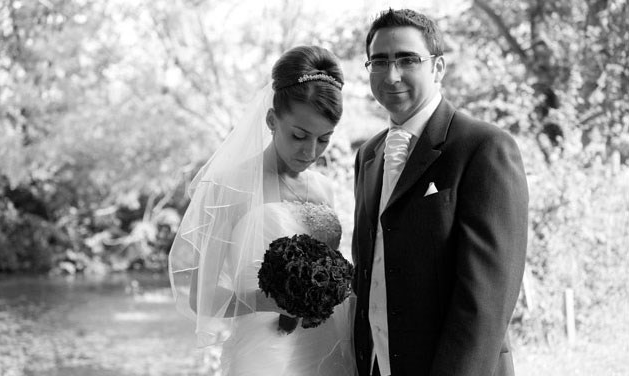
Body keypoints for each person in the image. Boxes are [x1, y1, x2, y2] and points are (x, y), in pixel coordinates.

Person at [352, 9, 528, 376]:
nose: (392, 74)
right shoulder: (368, 155)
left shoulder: (484, 147)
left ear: (438, 67)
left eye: (407, 59)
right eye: (379, 61)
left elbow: (486, 300)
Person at [169, 45, 356, 376]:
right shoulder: (231, 186)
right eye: (299, 135)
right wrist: (271, 299)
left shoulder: (324, 188)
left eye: (324, 139)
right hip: (267, 355)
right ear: (272, 120)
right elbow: (202, 298)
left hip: (333, 346)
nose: (310, 151)